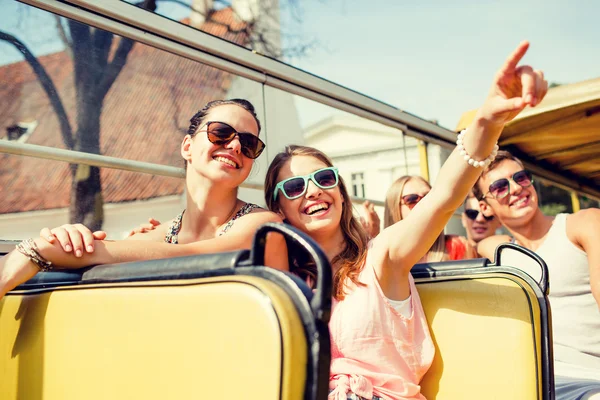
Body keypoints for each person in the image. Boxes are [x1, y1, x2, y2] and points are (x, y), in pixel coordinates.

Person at [263, 41, 547, 400]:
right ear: (279, 210)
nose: (314, 191)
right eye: (294, 187)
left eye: (324, 179)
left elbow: (443, 197)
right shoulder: (281, 282)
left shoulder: (381, 256)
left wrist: (487, 121)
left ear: (340, 190)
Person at [0, 98, 286, 299]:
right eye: (221, 133)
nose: (235, 145)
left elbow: (199, 257)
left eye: (249, 143)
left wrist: (41, 250)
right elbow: (103, 252)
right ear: (187, 146)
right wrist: (69, 240)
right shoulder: (159, 233)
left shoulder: (264, 225)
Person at [475, 151, 600, 399]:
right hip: (535, 384)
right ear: (484, 207)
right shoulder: (498, 248)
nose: (515, 188)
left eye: (521, 178)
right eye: (499, 187)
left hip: (591, 380)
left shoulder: (583, 224)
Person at [384, 175, 477, 261]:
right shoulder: (382, 255)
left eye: (428, 197)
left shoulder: (457, 246)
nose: (423, 203)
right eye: (411, 199)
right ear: (394, 209)